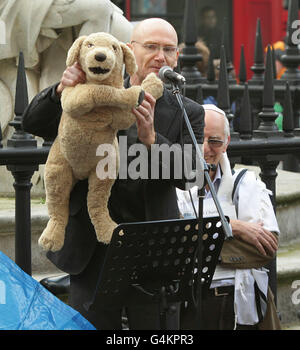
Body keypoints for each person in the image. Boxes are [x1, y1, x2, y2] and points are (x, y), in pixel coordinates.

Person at [22, 18, 205, 330]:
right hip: (92, 247)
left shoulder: (188, 111)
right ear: (130, 50)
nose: (160, 56)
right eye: (151, 47)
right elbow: (32, 123)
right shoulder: (91, 89)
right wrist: (60, 88)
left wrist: (152, 140)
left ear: (177, 57)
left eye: (169, 49)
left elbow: (190, 174)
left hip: (152, 248)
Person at [178, 104, 281, 330]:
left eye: (214, 141)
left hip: (242, 306)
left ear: (227, 143)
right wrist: (233, 227)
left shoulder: (248, 184)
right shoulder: (173, 189)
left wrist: (199, 236)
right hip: (192, 306)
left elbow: (265, 248)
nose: (205, 148)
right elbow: (174, 243)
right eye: (198, 138)